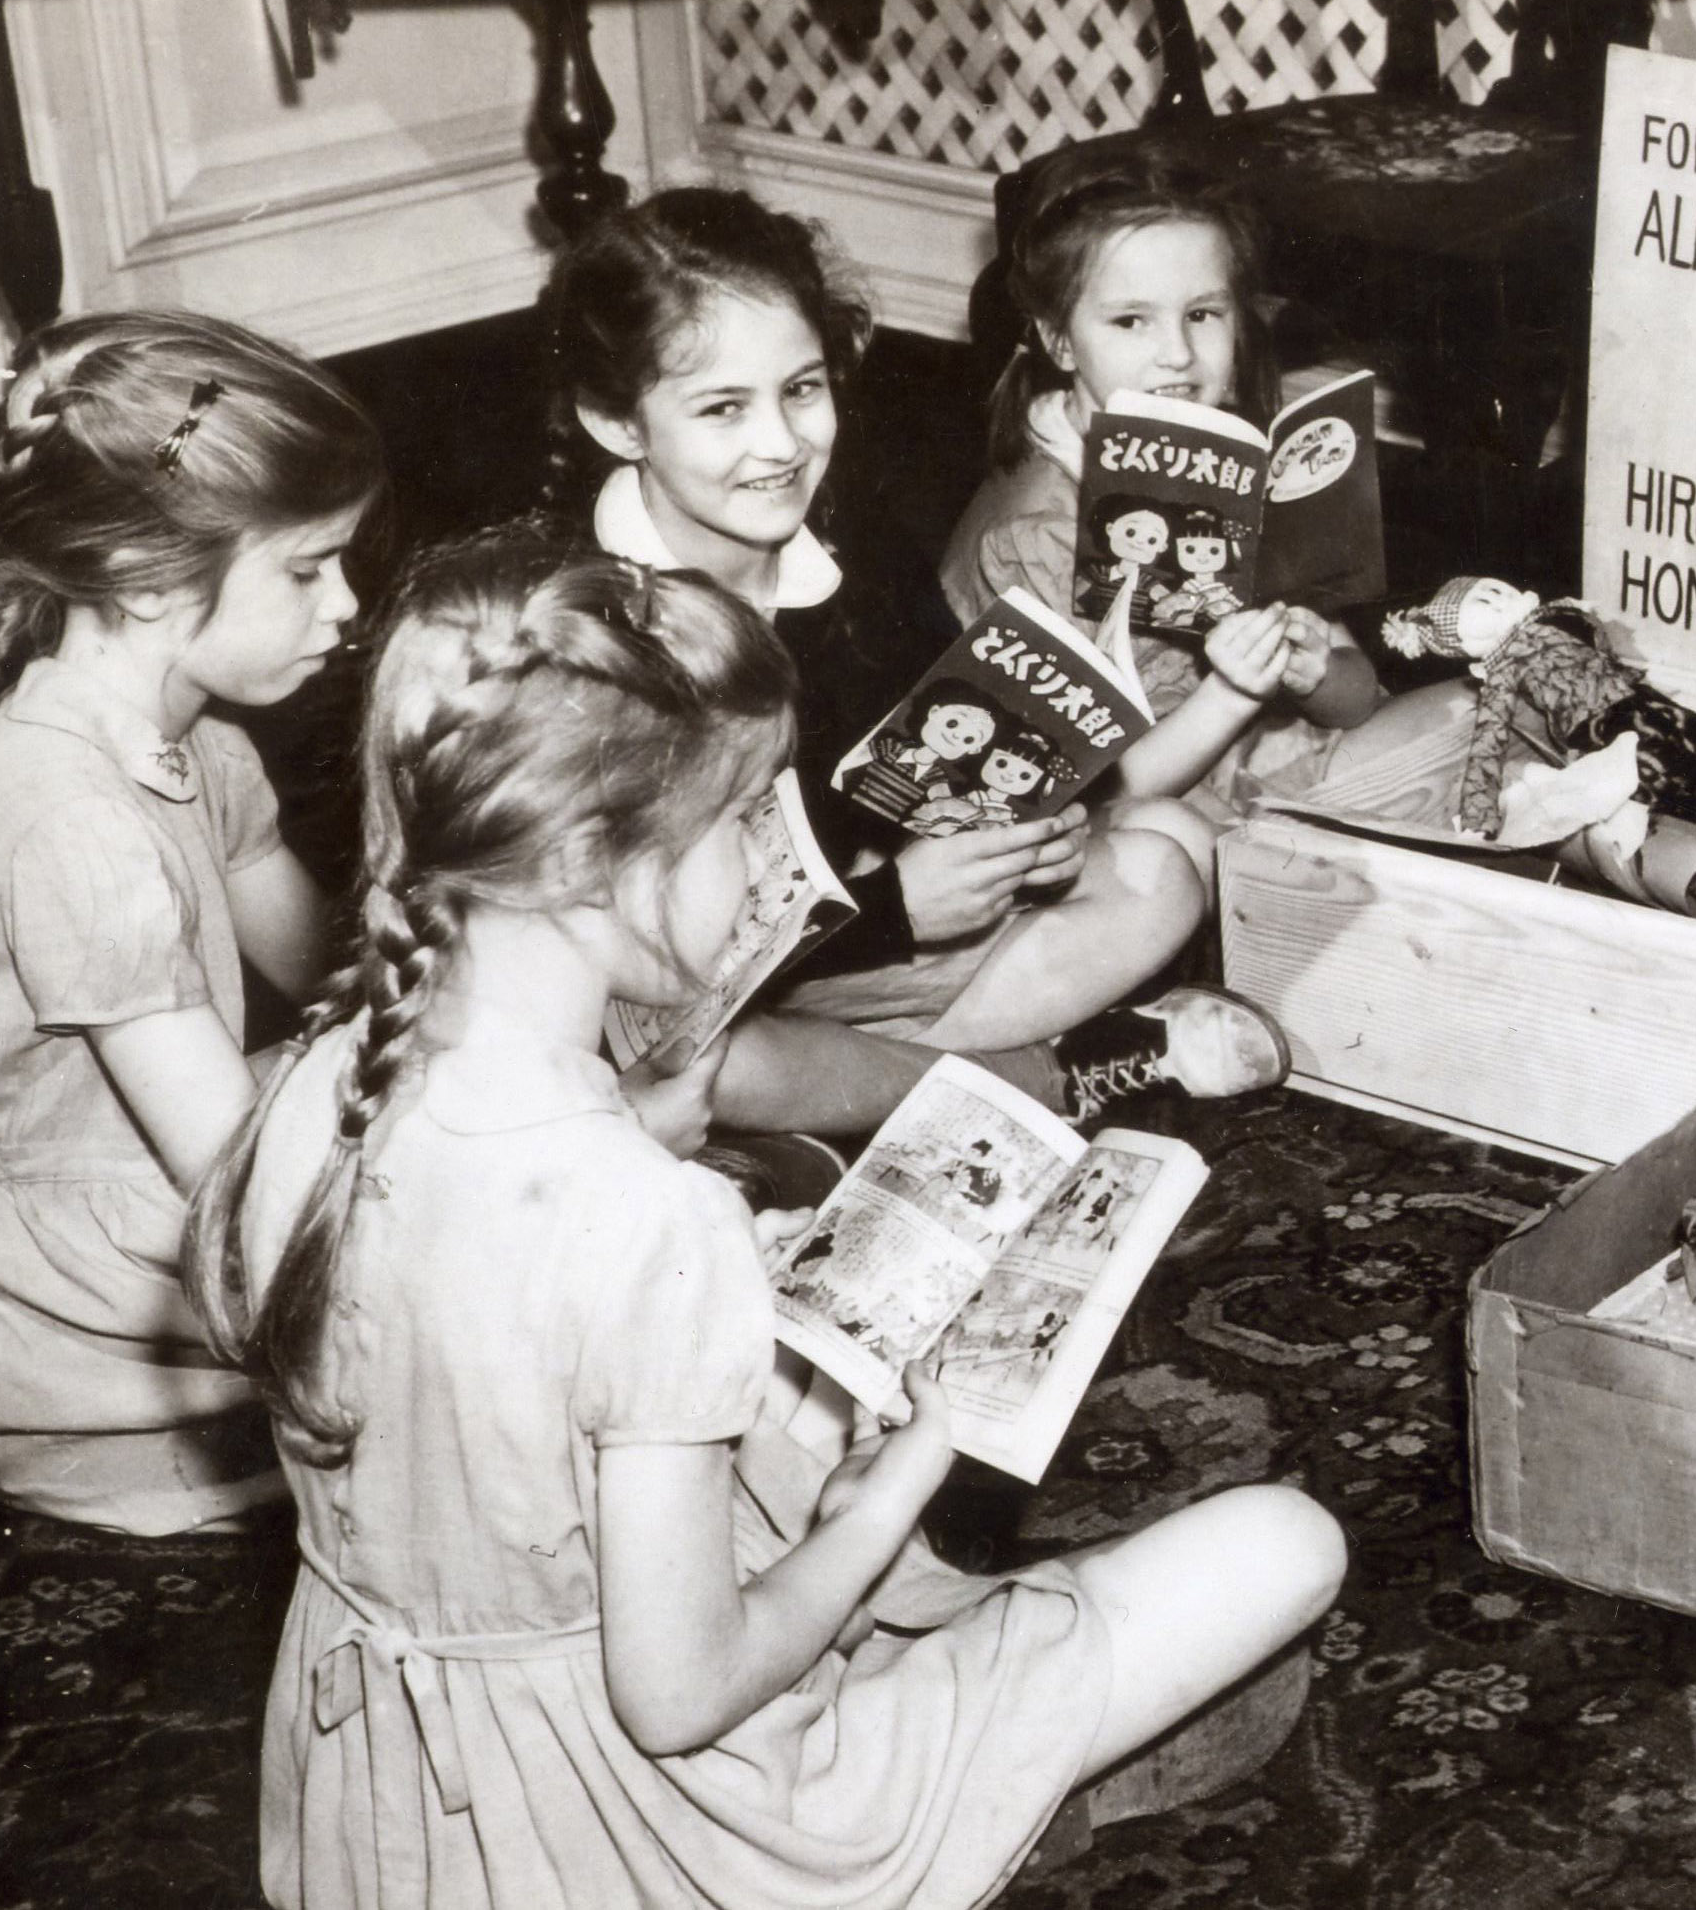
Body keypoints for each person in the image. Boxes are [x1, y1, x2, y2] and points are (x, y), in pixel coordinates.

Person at [184, 548, 1345, 1907]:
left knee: (800, 1366)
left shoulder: (319, 1077)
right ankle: (984, 1777)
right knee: (1286, 1543)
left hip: (381, 1824)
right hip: (644, 1828)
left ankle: (964, 1693)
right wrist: (909, 1472)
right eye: (747, 817)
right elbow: (680, 1698)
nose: (775, 864)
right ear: (582, 858)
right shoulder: (643, 1217)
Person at [540, 187, 1287, 1129]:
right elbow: (633, 953)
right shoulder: (578, 620)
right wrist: (893, 909)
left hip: (870, 928)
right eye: (722, 408)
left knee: (1168, 856)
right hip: (710, 974)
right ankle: (1047, 1076)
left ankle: (890, 1088)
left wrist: (1033, 834)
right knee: (704, 1060)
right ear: (617, 423)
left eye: (802, 390)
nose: (780, 446)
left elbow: (953, 728)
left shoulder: (849, 535)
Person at [0, 311, 379, 1532]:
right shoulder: (72, 818)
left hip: (146, 1200)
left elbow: (338, 980)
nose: (348, 604)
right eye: (308, 565)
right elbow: (237, 1177)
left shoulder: (197, 742)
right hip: (63, 1341)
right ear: (151, 578)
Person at [940, 155, 1432, 830]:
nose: (1177, 352)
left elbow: (1358, 697)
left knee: (1496, 713)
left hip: (1286, 765)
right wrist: (1231, 692)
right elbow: (1077, 795)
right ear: (1058, 340)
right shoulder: (1034, 535)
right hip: (1156, 821)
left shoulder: (1228, 459)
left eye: (1202, 313)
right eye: (1130, 321)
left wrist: (1315, 669)